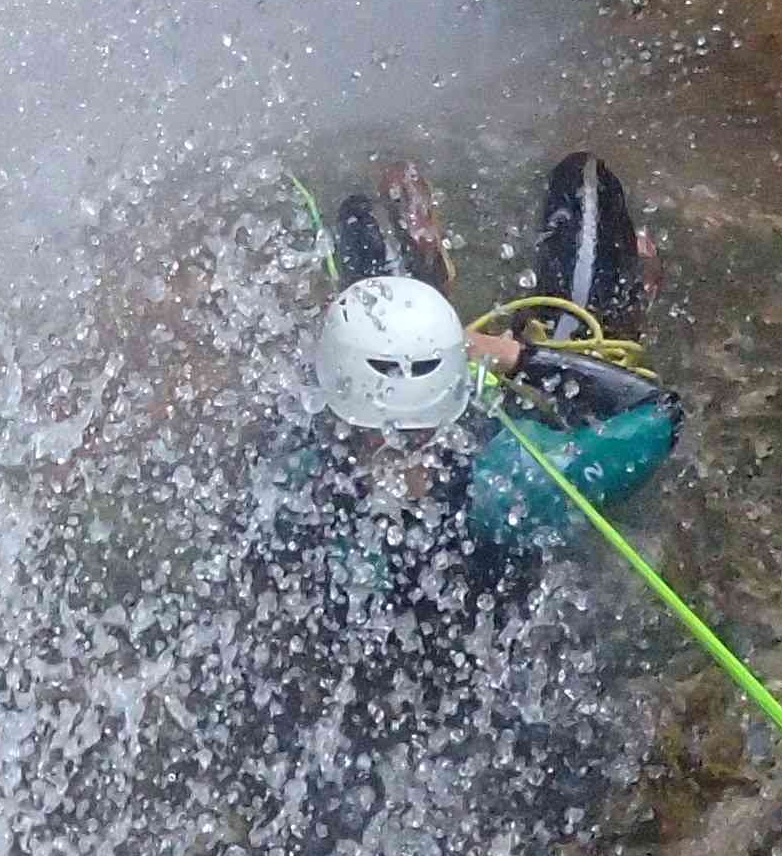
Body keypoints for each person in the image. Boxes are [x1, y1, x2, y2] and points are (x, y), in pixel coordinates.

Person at [288, 153, 682, 588]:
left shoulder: (295, 486)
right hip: (496, 592)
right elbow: (658, 410)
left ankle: (404, 275)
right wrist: (517, 356)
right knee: (583, 180)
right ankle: (613, 314)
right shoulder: (510, 488)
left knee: (361, 229)